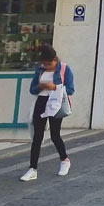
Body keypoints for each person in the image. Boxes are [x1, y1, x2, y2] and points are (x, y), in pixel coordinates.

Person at [21, 44, 74, 182]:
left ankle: (64, 160)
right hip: (41, 102)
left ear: (55, 60)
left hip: (56, 102)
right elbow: (32, 89)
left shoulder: (64, 69)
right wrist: (40, 86)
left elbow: (71, 89)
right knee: (37, 136)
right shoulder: (39, 70)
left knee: (55, 134)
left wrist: (55, 87)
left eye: (49, 64)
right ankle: (32, 169)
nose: (46, 66)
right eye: (43, 64)